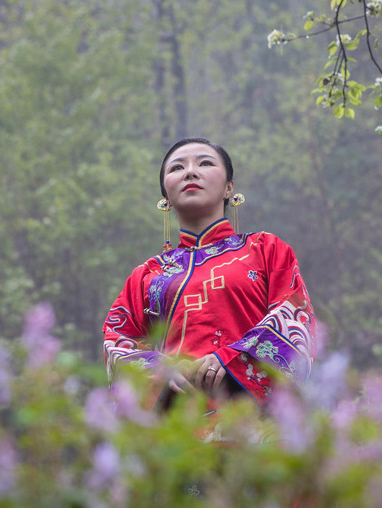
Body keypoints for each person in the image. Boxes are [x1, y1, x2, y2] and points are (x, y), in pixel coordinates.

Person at [103, 137, 316, 411]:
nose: (190, 172)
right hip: (176, 431)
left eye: (205, 163)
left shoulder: (265, 249)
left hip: (254, 427)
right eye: (177, 168)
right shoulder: (147, 275)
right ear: (166, 197)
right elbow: (118, 339)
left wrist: (232, 357)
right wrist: (162, 370)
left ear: (229, 188)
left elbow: (295, 319)